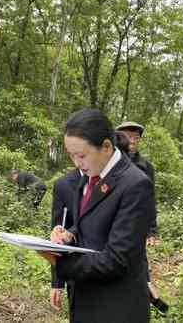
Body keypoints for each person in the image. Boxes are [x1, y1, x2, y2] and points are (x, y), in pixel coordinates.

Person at [40, 109, 153, 323]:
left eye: (81, 155)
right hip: (85, 297)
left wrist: (59, 262)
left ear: (107, 147)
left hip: (115, 306)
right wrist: (69, 235)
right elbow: (91, 222)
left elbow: (117, 259)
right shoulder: (90, 175)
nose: (76, 163)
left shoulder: (135, 184)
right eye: (71, 155)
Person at [115, 128, 169, 314]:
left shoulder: (145, 166)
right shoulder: (110, 161)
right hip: (112, 219)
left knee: (138, 255)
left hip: (135, 220)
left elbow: (150, 198)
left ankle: (144, 291)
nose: (132, 140)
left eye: (136, 137)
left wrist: (152, 229)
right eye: (128, 136)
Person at [50, 169, 82, 311]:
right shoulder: (63, 184)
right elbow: (58, 232)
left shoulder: (120, 179)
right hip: (77, 270)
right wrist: (57, 282)